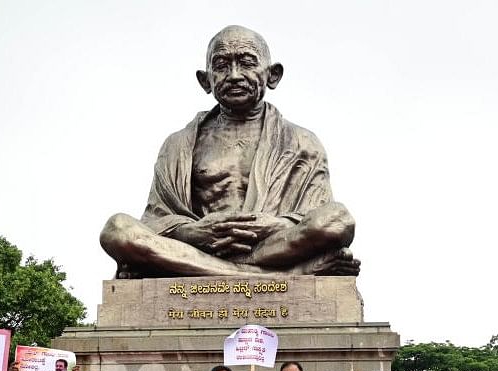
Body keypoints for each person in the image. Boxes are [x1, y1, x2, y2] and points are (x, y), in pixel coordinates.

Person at [100, 25, 360, 278]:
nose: (234, 75)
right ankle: (281, 276)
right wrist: (193, 233)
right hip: (196, 246)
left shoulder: (302, 141)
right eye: (222, 65)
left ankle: (206, 269)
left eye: (247, 62)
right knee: (117, 229)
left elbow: (316, 216)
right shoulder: (178, 145)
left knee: (338, 219)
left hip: (272, 246)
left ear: (273, 75)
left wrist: (276, 225)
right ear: (206, 80)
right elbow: (156, 219)